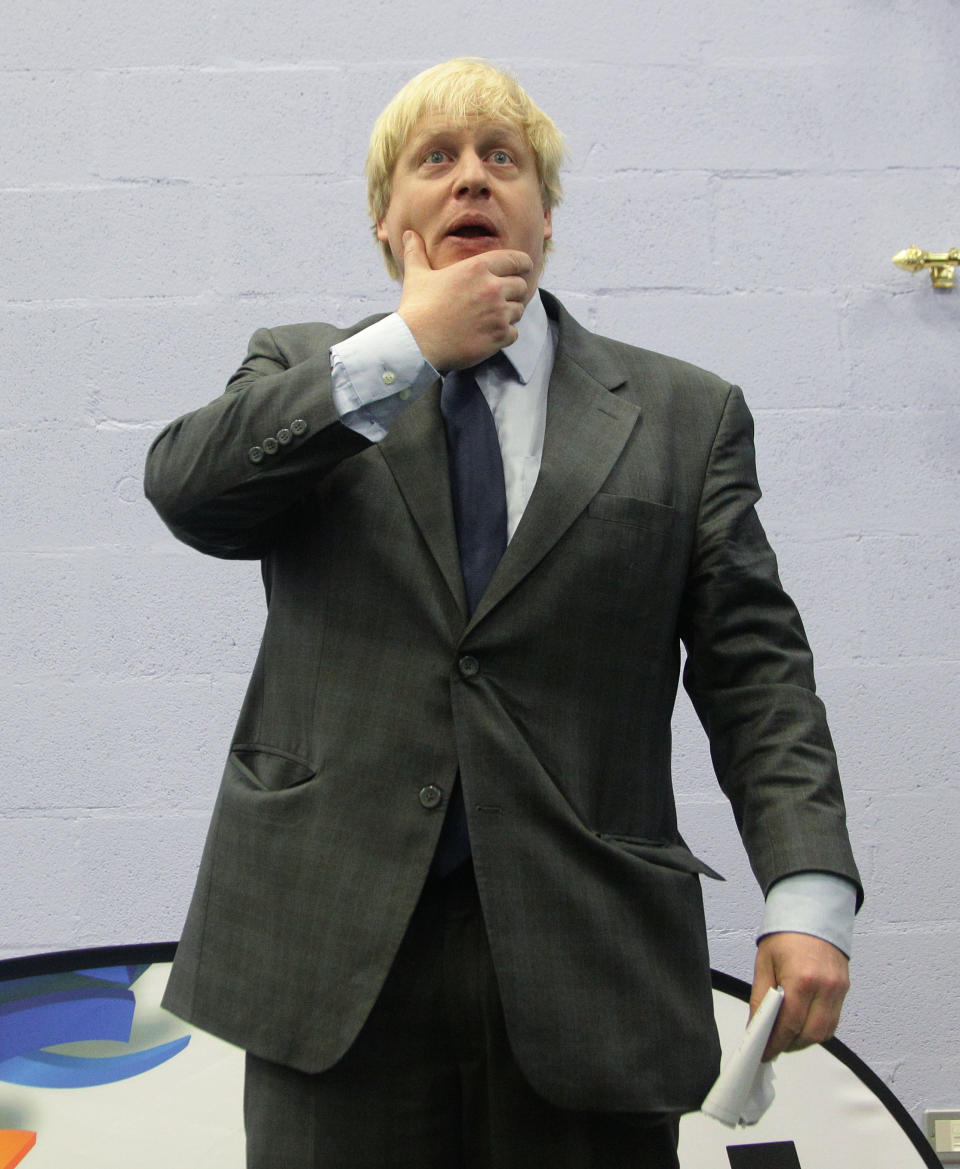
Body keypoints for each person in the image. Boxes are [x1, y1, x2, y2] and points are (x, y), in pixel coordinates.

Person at [145, 58, 862, 1168]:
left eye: (503, 158)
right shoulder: (304, 371)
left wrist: (808, 894)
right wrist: (404, 347)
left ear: (544, 212)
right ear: (390, 221)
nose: (472, 176)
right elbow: (191, 493)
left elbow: (756, 669)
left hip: (588, 958)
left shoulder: (684, 414)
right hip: (330, 959)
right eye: (436, 159)